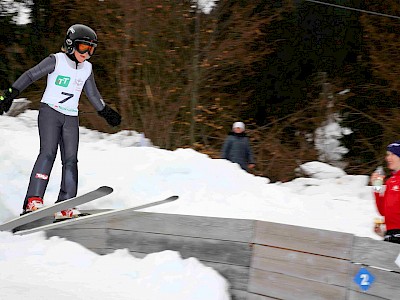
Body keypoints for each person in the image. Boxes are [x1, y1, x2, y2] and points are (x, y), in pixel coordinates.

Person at [0, 24, 121, 220]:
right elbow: (31, 75)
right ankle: (33, 200)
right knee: (48, 154)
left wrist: (105, 111)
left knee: (71, 160)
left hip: (71, 117)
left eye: (91, 50)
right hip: (50, 113)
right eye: (83, 48)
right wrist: (11, 93)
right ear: (71, 44)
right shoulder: (56, 61)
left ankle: (65, 204)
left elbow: (92, 93)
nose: (87, 53)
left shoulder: (87, 69)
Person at [370, 141, 400, 244]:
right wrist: (377, 187)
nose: (388, 158)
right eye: (388, 155)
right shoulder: (390, 181)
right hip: (390, 236)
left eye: (392, 154)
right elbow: (383, 211)